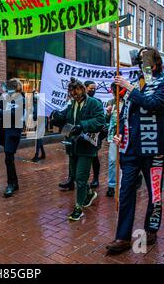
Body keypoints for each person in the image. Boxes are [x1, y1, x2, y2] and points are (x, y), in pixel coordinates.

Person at [106, 47, 164, 253]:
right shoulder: (135, 83)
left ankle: (151, 229)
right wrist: (120, 134)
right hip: (130, 149)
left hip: (153, 148)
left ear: (154, 64)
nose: (140, 65)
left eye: (144, 62)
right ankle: (123, 237)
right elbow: (126, 113)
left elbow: (154, 104)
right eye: (139, 62)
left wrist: (130, 89)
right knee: (126, 191)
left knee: (155, 192)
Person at [50, 78, 105, 221]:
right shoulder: (72, 103)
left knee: (81, 178)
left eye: (76, 94)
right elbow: (67, 118)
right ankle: (89, 194)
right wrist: (58, 117)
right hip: (73, 145)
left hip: (87, 146)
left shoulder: (94, 103)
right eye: (72, 94)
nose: (74, 96)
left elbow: (100, 121)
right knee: (74, 176)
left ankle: (78, 208)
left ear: (83, 90)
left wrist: (83, 125)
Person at [0, 78, 26, 198]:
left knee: (8, 157)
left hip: (13, 131)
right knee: (8, 158)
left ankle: (11, 184)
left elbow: (14, 114)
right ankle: (14, 183)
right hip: (5, 130)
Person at [84, 80, 104, 188]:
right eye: (90, 88)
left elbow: (100, 118)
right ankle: (71, 178)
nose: (93, 90)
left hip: (93, 133)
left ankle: (96, 178)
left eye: (94, 89)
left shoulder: (97, 101)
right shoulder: (80, 100)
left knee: (94, 156)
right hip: (81, 132)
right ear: (85, 88)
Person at [31, 90, 46, 162]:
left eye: (37, 93)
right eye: (34, 94)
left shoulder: (41, 102)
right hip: (36, 121)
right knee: (38, 139)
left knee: (38, 138)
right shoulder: (33, 102)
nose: (35, 95)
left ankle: (36, 155)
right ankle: (43, 154)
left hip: (41, 121)